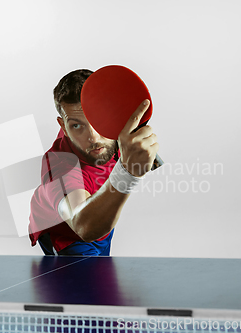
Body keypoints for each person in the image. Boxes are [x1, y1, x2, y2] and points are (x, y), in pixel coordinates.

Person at [28, 69, 159, 256]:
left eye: (96, 119)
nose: (93, 137)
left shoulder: (113, 134)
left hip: (100, 213)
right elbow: (84, 226)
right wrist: (127, 172)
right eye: (77, 126)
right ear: (64, 127)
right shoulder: (60, 165)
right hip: (67, 234)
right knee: (84, 279)